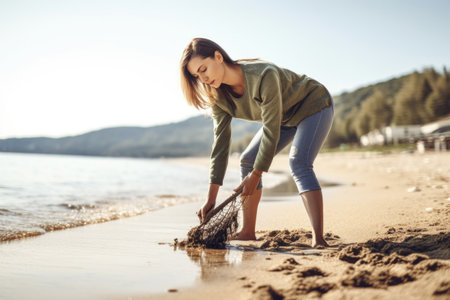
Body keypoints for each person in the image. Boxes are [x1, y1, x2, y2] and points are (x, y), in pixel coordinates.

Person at [179, 38, 334, 248]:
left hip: (313, 105)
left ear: (218, 56)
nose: (203, 78)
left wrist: (258, 173)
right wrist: (211, 199)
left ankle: (319, 238)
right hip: (284, 118)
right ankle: (248, 231)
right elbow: (220, 147)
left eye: (204, 69)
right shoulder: (218, 98)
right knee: (247, 160)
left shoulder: (263, 75)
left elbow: (270, 128)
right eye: (197, 76)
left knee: (299, 163)